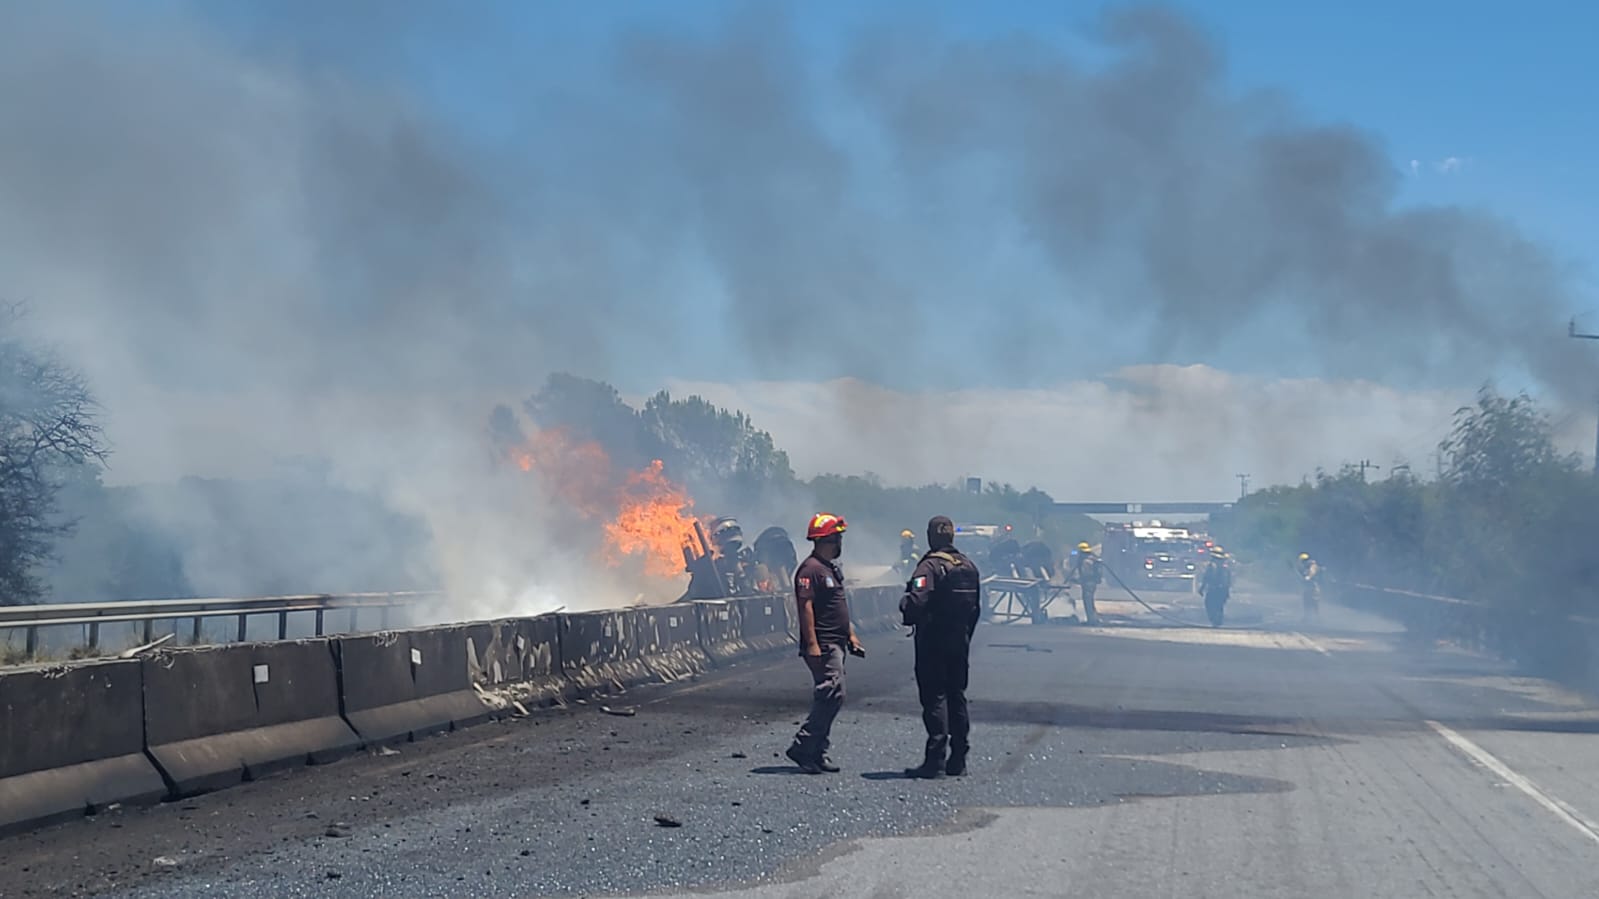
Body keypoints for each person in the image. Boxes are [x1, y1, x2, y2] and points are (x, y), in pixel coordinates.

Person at [899, 515, 982, 778]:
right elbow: (976, 610)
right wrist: (965, 636)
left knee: (935, 698)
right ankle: (958, 759)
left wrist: (904, 606)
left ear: (930, 537)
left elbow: (916, 603)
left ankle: (934, 760)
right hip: (960, 642)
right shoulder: (969, 566)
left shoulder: (930, 566)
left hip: (933, 642)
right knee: (957, 696)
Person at [785, 513, 866, 774]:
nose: (840, 542)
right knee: (831, 692)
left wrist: (851, 635)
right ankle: (803, 746)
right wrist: (812, 644)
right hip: (823, 643)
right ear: (825, 540)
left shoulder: (831, 569)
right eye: (836, 537)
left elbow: (839, 606)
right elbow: (805, 607)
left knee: (833, 696)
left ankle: (818, 751)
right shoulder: (810, 570)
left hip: (837, 641)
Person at [1070, 542, 1103, 626]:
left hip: (1088, 583)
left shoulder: (1086, 562)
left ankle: (1091, 620)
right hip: (1092, 583)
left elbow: (1086, 574)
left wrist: (1077, 580)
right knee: (1090, 602)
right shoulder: (1093, 559)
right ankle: (1093, 619)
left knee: (1088, 602)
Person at [1199, 548, 1232, 627]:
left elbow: (1206, 577)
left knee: (1210, 604)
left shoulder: (1211, 566)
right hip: (1222, 590)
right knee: (1219, 605)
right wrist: (1227, 591)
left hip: (1213, 589)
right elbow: (1229, 580)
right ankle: (1218, 620)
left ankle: (1215, 620)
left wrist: (1202, 588)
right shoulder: (1226, 567)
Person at [1297, 552, 1321, 622]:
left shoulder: (1313, 566)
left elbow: (1312, 572)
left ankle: (1317, 618)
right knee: (1306, 602)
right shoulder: (1305, 567)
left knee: (1314, 602)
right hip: (1307, 588)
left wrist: (1309, 577)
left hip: (1314, 588)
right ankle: (1306, 617)